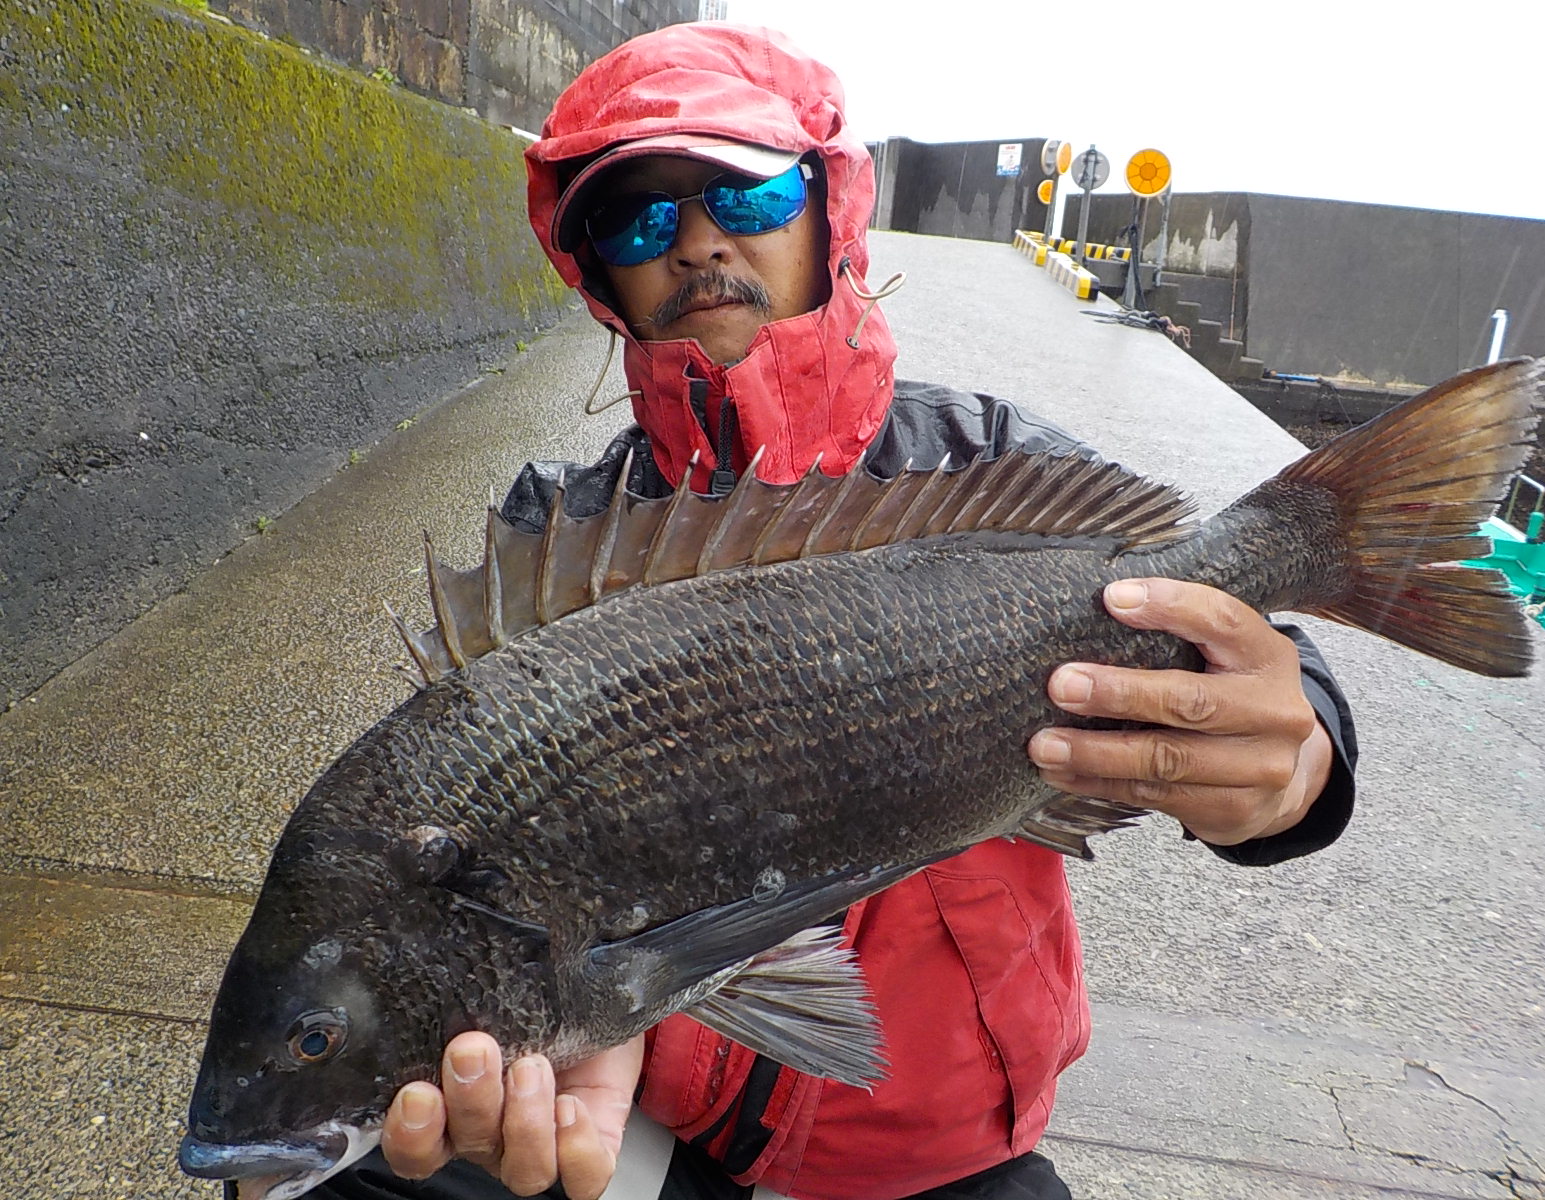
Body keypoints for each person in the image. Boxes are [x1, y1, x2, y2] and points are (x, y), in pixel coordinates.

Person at [315, 22, 1355, 1200]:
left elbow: (1236, 636)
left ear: (827, 205)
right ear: (597, 272)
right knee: (334, 1171)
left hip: (937, 1161)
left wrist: (1295, 760)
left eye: (746, 192)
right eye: (639, 220)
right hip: (658, 1133)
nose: (699, 241)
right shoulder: (559, 539)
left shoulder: (983, 459)